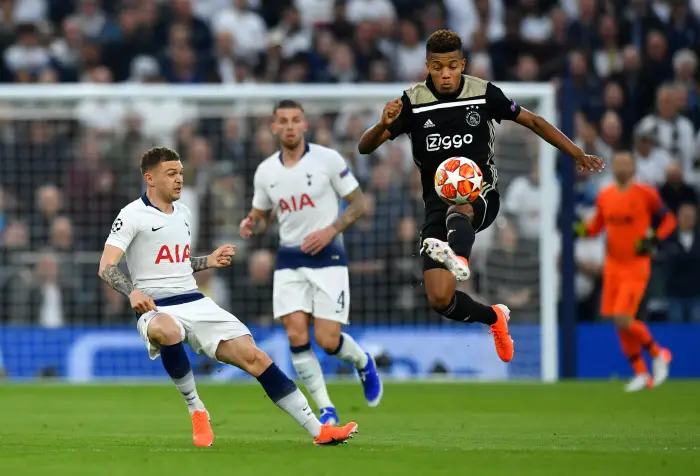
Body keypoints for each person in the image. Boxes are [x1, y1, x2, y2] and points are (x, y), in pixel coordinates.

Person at [357, 29, 604, 363]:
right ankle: (494, 317)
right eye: (437, 67)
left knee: (460, 209)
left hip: (481, 196)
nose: (445, 74)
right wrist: (380, 124)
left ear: (463, 64)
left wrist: (576, 153)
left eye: (452, 66)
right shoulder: (412, 102)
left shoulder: (483, 93)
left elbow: (533, 121)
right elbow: (365, 147)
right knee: (440, 300)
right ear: (427, 66)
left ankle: (459, 258)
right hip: (435, 210)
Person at [98, 146, 358, 447]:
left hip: (194, 301)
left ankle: (319, 430)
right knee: (167, 330)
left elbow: (175, 263)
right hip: (155, 307)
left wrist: (207, 261)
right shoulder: (131, 215)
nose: (179, 179)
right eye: (171, 174)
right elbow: (106, 267)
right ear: (150, 179)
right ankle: (197, 409)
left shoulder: (183, 213)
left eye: (181, 173)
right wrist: (132, 292)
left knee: (255, 357)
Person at [240, 100, 381, 426]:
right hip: (289, 258)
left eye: (295, 120)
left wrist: (330, 230)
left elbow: (359, 204)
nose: (289, 126)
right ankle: (326, 408)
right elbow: (261, 218)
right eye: (283, 121)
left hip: (328, 256)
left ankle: (363, 362)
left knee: (328, 341)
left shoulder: (327, 159)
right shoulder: (266, 171)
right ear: (274, 127)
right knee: (295, 335)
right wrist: (251, 224)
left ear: (305, 125)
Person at [576, 150, 675, 392]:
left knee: (624, 316)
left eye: (625, 163)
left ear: (633, 167)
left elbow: (668, 220)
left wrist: (652, 238)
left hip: (636, 265)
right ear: (613, 167)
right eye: (617, 163)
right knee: (618, 322)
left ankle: (659, 352)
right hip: (612, 266)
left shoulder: (645, 194)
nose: (621, 167)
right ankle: (642, 374)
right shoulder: (605, 196)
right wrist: (582, 229)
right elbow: (597, 226)